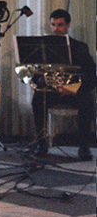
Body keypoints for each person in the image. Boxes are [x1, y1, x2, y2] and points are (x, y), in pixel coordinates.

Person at [29, 9, 96, 160]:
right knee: (38, 99)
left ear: (68, 25)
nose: (56, 29)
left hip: (72, 92)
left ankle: (84, 146)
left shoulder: (80, 47)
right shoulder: (43, 47)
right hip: (52, 91)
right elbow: (36, 77)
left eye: (60, 25)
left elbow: (92, 75)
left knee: (87, 101)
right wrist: (39, 77)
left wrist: (72, 88)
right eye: (53, 25)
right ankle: (41, 143)